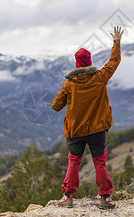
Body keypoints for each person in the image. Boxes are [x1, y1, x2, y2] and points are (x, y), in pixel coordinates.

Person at [52, 25, 124, 209]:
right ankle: (104, 198)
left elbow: (55, 106)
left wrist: (67, 97)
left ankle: (68, 197)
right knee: (100, 163)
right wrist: (116, 41)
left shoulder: (68, 85)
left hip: (75, 131)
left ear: (76, 64)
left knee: (73, 163)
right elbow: (114, 61)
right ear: (89, 62)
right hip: (97, 129)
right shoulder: (100, 78)